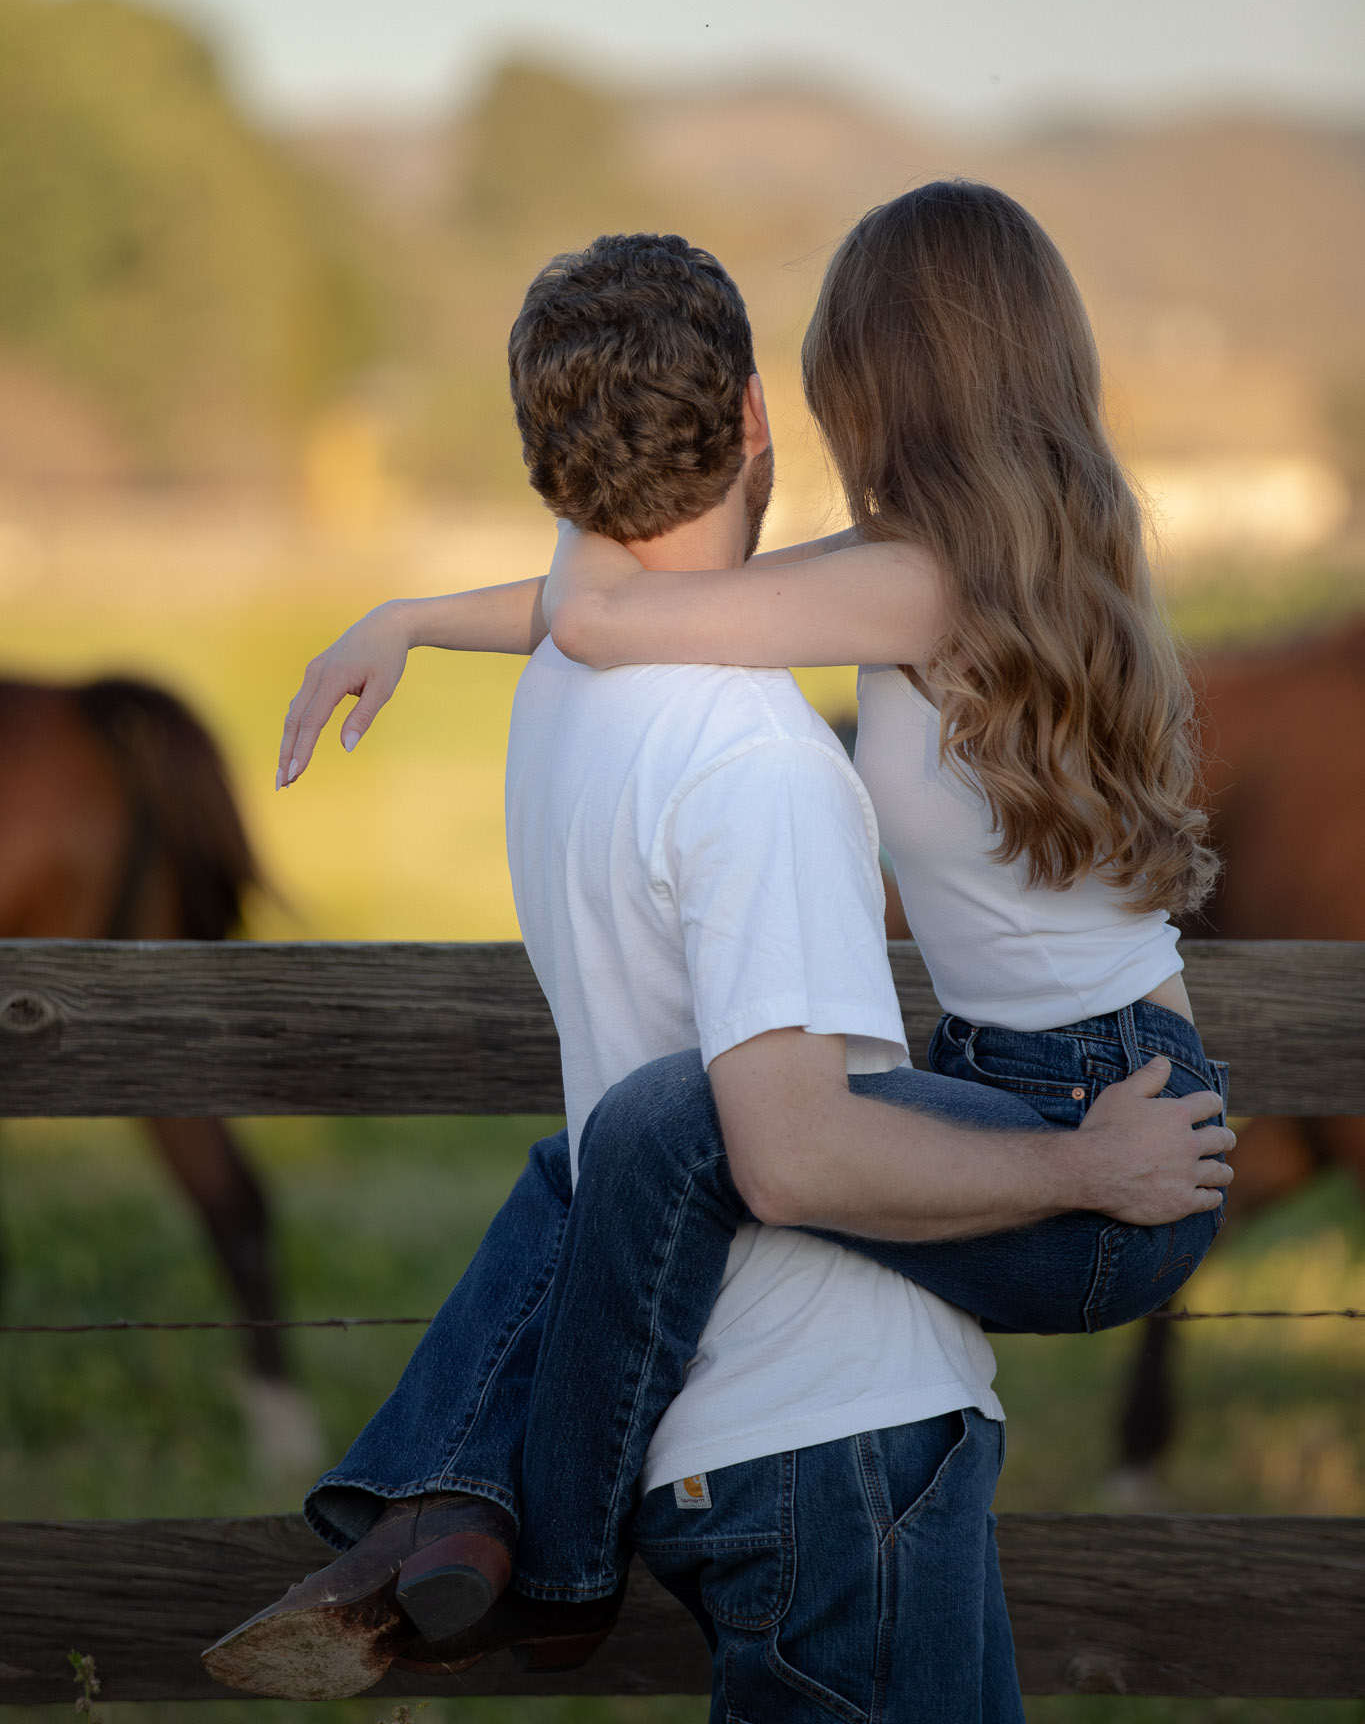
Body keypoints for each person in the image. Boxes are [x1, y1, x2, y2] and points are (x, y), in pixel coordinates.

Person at [206, 203, 1233, 1714]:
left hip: (1108, 1144)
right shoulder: (999, 556)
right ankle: (447, 1515)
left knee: (665, 1128)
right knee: (617, 1151)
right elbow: (639, 609)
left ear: (879, 384)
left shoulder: (917, 582)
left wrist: (552, 487)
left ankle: (538, 1558)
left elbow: (615, 621)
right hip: (1062, 1085)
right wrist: (420, 616)